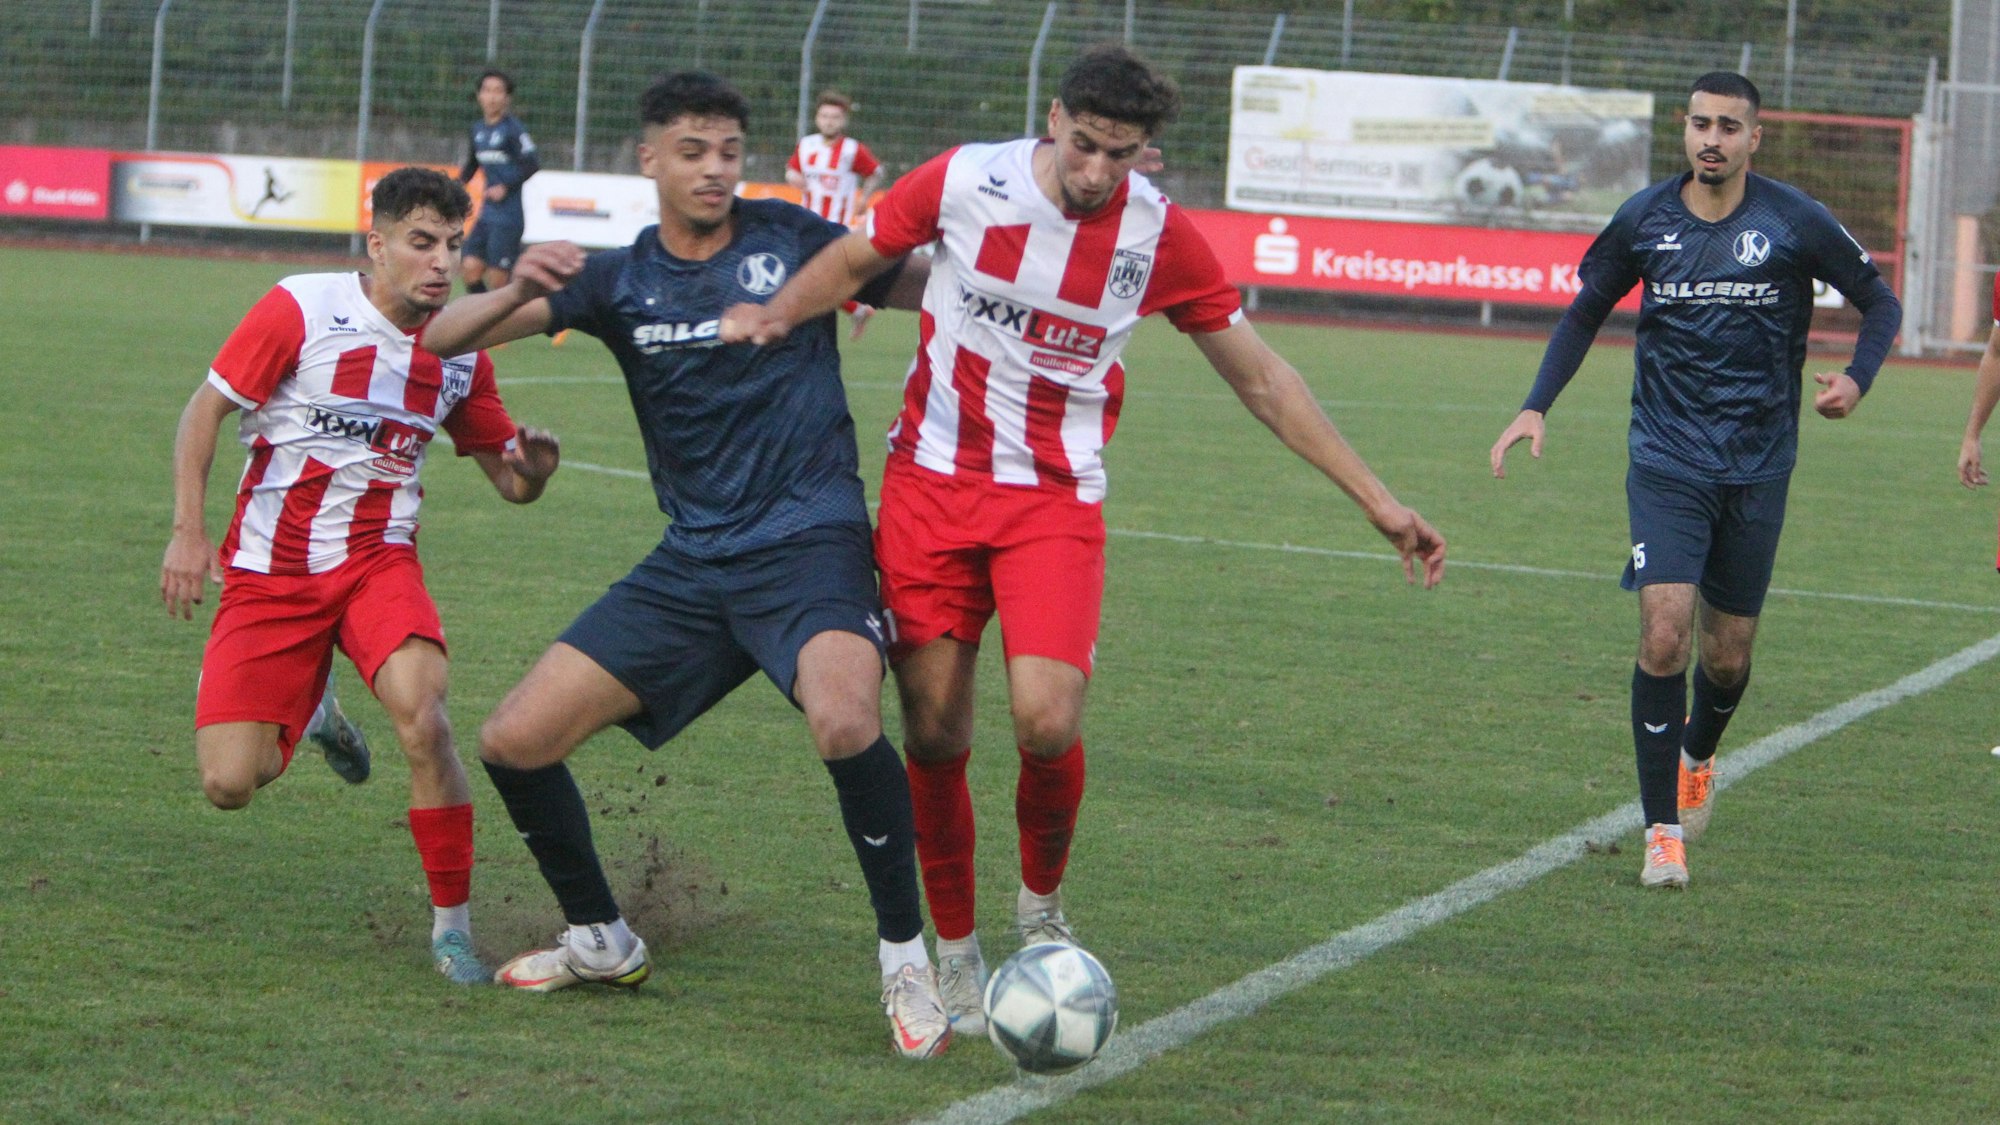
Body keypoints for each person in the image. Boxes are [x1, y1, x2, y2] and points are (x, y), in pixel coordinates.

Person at [720, 43, 1448, 1036]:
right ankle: (959, 951)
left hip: (1052, 501)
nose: (1100, 171)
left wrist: (1375, 498)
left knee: (1046, 721)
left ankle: (1039, 907)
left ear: (1146, 153)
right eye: (1088, 145)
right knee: (933, 732)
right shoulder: (963, 180)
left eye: (1125, 154)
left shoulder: (1160, 239)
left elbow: (1262, 378)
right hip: (930, 486)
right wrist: (774, 315)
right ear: (1052, 119)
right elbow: (857, 258)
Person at [419, 71, 954, 1060]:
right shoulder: (614, 277)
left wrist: (996, 273)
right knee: (513, 739)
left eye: (726, 152)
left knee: (844, 718)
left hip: (808, 542)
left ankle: (905, 960)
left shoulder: (790, 237)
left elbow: (918, 283)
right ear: (650, 160)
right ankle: (599, 938)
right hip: (692, 564)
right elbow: (440, 336)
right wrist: (516, 286)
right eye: (693, 152)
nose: (714, 170)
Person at [1490, 72, 1900, 889]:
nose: (1711, 138)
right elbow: (1584, 311)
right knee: (1664, 632)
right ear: (1685, 130)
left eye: (1728, 127)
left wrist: (1855, 379)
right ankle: (1660, 834)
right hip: (1667, 458)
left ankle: (1700, 752)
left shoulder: (1794, 220)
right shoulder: (1646, 218)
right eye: (1699, 124)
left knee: (1727, 655)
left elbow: (1879, 303)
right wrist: (1537, 405)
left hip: (1758, 464)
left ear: (1755, 138)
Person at [160, 166, 562, 983]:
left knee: (424, 715)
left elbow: (509, 483)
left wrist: (537, 471)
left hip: (378, 563)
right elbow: (206, 408)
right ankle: (312, 710)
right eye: (421, 242)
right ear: (376, 243)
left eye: (453, 244)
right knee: (229, 782)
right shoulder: (302, 308)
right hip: (269, 574)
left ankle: (452, 927)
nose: (442, 263)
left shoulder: (460, 353)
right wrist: (187, 533)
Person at [787, 89, 885, 338]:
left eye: (835, 117)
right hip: (807, 221)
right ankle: (855, 308)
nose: (829, 121)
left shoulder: (852, 150)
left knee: (803, 272)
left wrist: (864, 198)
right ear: (817, 118)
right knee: (811, 276)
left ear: (843, 121)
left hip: (834, 225)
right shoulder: (806, 145)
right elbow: (790, 171)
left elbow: (877, 172)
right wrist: (796, 179)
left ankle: (805, 323)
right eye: (824, 116)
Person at [457, 68, 541, 294]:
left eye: (498, 91)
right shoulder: (477, 130)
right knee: (470, 268)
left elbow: (532, 163)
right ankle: (485, 319)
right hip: (487, 214)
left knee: (498, 280)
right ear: (479, 95)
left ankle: (523, 311)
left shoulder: (513, 130)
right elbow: (473, 163)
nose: (492, 96)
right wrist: (455, 187)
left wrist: (505, 186)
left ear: (507, 98)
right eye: (487, 90)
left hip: (509, 217)